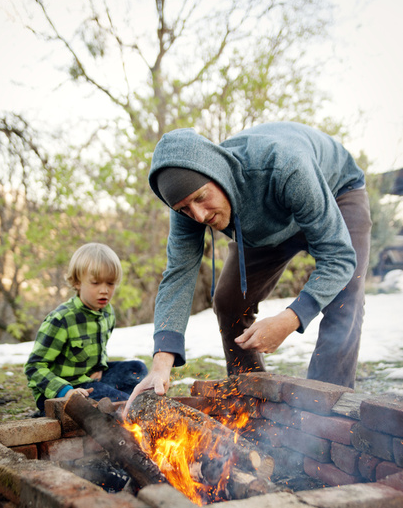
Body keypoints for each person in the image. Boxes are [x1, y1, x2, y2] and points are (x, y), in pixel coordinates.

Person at [126, 121, 371, 409]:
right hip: (264, 223)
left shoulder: (285, 164)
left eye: (201, 198)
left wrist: (289, 319)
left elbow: (339, 258)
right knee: (229, 300)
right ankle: (254, 402)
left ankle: (325, 411)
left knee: (345, 295)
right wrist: (160, 364)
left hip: (336, 191)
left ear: (216, 173)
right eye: (184, 209)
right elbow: (178, 274)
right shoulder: (187, 207)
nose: (200, 215)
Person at [25, 242, 147, 415]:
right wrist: (65, 391)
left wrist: (99, 366)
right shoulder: (61, 319)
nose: (104, 290)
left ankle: (118, 401)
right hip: (61, 391)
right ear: (77, 282)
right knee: (124, 405)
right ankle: (50, 413)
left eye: (110, 284)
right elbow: (34, 367)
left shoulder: (107, 312)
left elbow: (99, 346)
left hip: (88, 380)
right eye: (96, 283)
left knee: (137, 369)